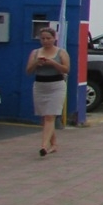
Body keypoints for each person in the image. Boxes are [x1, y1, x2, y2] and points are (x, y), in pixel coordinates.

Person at [25, 27, 71, 157]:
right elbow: (28, 71)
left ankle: (44, 146)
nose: (45, 41)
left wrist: (52, 63)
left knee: (50, 116)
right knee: (44, 118)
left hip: (56, 86)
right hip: (40, 86)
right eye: (43, 38)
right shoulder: (35, 52)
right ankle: (54, 144)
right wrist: (36, 63)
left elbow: (66, 69)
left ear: (54, 38)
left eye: (48, 38)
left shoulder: (61, 52)